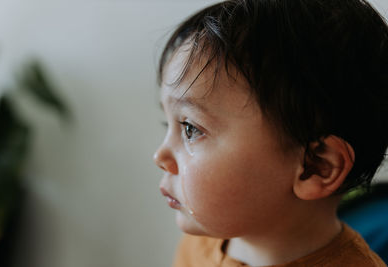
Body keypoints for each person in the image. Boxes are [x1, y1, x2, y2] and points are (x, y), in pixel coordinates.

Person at [153, 0, 388, 266]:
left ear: (315, 166)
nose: (160, 155)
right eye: (168, 124)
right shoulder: (201, 244)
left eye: (190, 128)